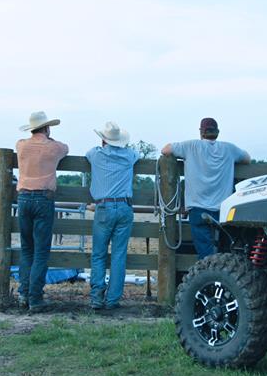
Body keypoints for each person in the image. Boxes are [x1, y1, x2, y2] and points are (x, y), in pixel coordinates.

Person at [161, 118, 250, 259]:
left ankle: (208, 278)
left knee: (205, 255)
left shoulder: (191, 146)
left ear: (201, 132)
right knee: (225, 252)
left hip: (198, 209)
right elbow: (247, 158)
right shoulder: (229, 148)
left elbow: (165, 150)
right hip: (223, 209)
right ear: (218, 132)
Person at [16, 111, 69, 312]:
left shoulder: (21, 145)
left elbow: (21, 144)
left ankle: (23, 293)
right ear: (47, 128)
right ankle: (35, 297)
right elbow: (66, 148)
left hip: (23, 199)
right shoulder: (54, 147)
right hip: (43, 199)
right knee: (40, 251)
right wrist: (50, 138)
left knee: (26, 248)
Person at [86, 122, 140, 310]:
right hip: (125, 207)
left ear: (103, 140)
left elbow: (88, 154)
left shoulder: (95, 154)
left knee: (99, 254)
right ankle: (112, 299)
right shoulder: (130, 156)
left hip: (104, 207)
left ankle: (96, 298)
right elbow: (137, 155)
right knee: (119, 255)